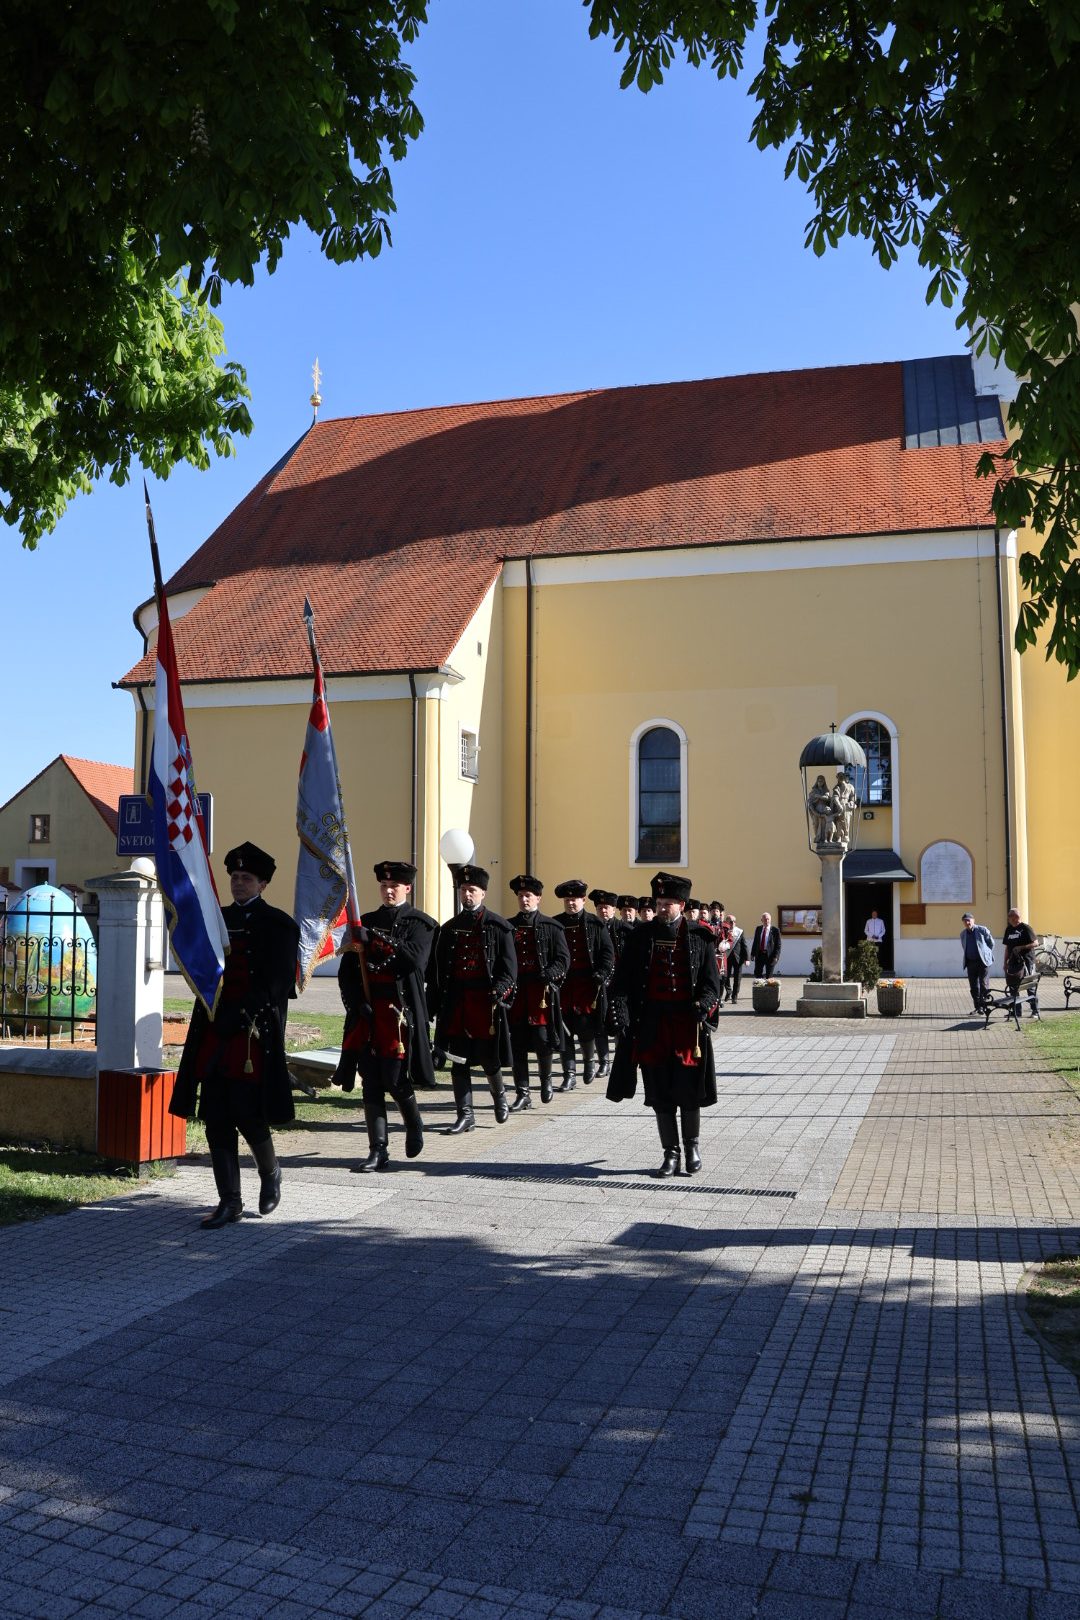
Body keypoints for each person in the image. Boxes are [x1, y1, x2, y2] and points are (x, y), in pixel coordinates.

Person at [171, 840, 299, 1228]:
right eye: (234, 877)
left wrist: (243, 1015)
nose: (238, 883)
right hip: (213, 1028)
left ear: (262, 884)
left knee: (248, 1113)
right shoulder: (215, 919)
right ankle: (230, 1201)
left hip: (251, 1034)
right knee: (215, 1116)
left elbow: (277, 983)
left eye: (247, 878)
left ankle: (270, 1172)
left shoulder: (279, 925)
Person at [606, 871, 722, 1176]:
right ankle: (670, 1153)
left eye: (669, 902)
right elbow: (621, 983)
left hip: (687, 1028)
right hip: (652, 1026)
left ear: (681, 905)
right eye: (660, 902)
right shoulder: (640, 936)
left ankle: (692, 1148)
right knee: (659, 1093)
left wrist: (705, 1005)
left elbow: (712, 984)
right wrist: (622, 1017)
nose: (662, 907)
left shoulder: (699, 937)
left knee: (688, 1091)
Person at [335, 859, 437, 1172]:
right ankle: (378, 1149)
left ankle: (414, 1122)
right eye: (383, 885)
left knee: (394, 1079)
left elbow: (414, 959)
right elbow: (347, 973)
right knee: (371, 1080)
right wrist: (356, 1003)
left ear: (407, 887)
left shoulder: (422, 924)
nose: (388, 890)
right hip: (368, 1012)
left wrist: (377, 940)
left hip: (398, 1016)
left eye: (394, 886)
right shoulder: (364, 921)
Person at [429, 864, 517, 1132]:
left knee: (489, 1060)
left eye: (473, 890)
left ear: (483, 893)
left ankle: (499, 1098)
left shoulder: (499, 927)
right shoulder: (449, 929)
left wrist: (499, 990)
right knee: (458, 1060)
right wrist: (434, 1003)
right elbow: (438, 970)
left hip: (485, 1006)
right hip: (456, 1003)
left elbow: (509, 968)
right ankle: (465, 1115)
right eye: (463, 890)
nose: (467, 895)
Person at [507, 874, 569, 1107]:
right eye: (521, 896)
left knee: (543, 1041)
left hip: (541, 994)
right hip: (517, 993)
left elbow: (563, 959)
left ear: (538, 899)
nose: (524, 900)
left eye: (529, 896)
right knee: (518, 1043)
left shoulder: (552, 927)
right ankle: (522, 1093)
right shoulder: (508, 926)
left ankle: (546, 1082)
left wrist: (550, 973)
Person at [554, 879, 615, 1089]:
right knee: (565, 1030)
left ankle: (589, 1063)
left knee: (585, 1027)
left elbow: (608, 954)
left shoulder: (594, 923)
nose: (571, 903)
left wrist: (602, 972)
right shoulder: (556, 924)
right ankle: (569, 1074)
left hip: (588, 985)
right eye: (567, 900)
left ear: (582, 900)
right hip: (563, 986)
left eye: (575, 900)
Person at [589, 887, 630, 1078]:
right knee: (600, 1024)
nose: (603, 911)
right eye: (600, 908)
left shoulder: (625, 930)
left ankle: (622, 1059)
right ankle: (604, 1062)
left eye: (607, 907)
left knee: (620, 1022)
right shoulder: (593, 929)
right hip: (598, 983)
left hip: (620, 983)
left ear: (614, 909)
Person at [960, 912, 995, 1010]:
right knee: (974, 986)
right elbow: (964, 946)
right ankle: (978, 1007)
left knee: (983, 984)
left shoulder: (982, 930)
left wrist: (986, 954)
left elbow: (991, 943)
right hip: (970, 962)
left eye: (969, 920)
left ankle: (984, 1005)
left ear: (973, 920)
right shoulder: (963, 934)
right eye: (965, 921)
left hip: (983, 962)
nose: (967, 922)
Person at [1002, 908, 1037, 1004]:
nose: (1010, 918)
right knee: (1013, 987)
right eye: (1009, 916)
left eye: (1012, 916)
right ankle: (1016, 1011)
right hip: (1013, 963)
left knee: (1029, 986)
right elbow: (1007, 948)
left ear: (1018, 917)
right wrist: (1005, 963)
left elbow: (1036, 943)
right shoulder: (1008, 929)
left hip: (1026, 962)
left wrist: (1022, 947)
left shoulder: (1025, 928)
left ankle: (1034, 1010)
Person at [724, 914, 749, 1002]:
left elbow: (744, 945)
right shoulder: (723, 930)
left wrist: (747, 959)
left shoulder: (739, 931)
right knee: (725, 977)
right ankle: (728, 991)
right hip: (726, 957)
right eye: (731, 921)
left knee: (737, 978)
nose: (733, 923)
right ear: (726, 922)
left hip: (738, 958)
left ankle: (735, 996)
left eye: (734, 921)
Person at [750, 912, 782, 978]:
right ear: (761, 920)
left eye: (768, 919)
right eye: (765, 919)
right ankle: (760, 986)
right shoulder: (758, 929)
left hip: (770, 955)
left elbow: (778, 945)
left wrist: (776, 956)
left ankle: (767, 987)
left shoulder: (775, 930)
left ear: (770, 920)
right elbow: (755, 942)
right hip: (759, 954)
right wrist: (752, 954)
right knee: (757, 973)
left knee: (769, 976)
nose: (766, 921)